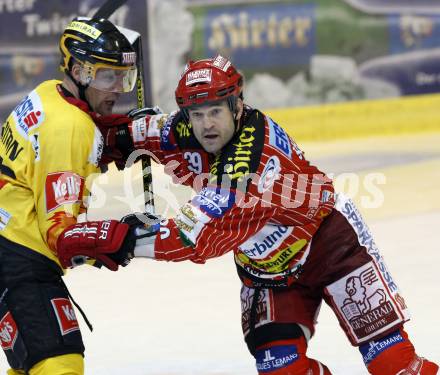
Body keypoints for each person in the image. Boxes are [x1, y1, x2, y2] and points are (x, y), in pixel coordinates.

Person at [70, 55, 438, 374]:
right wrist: (76, 127)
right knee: (282, 369)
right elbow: (129, 134)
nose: (207, 124)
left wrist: (120, 239)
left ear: (237, 106)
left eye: (215, 111)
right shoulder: (185, 128)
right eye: (197, 114)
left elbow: (193, 236)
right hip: (266, 267)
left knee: (394, 365)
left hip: (331, 244)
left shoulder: (248, 165)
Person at [0, 17, 143, 375]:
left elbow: (44, 156)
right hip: (20, 265)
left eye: (124, 77)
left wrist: (109, 142)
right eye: (108, 77)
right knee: (59, 363)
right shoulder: (70, 128)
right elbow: (60, 235)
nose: (119, 89)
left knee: (33, 365)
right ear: (78, 71)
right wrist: (113, 239)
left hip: (8, 245)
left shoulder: (50, 92)